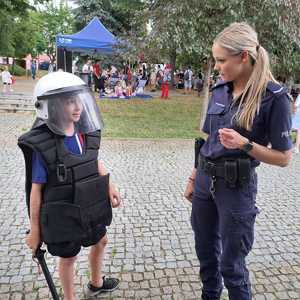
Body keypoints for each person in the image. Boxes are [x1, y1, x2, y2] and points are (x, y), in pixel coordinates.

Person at [184, 22, 292, 300]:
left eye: (222, 60)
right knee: (206, 258)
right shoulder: (221, 89)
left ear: (244, 56)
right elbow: (207, 141)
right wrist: (195, 176)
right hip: (205, 184)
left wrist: (245, 144)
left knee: (231, 266)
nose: (217, 66)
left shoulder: (274, 97)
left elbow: (284, 158)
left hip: (236, 187)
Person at [18, 72, 121, 300]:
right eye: (69, 101)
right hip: (63, 213)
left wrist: (109, 184)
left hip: (89, 205)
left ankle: (96, 283)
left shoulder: (84, 132)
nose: (78, 107)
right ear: (51, 107)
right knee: (69, 258)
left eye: (79, 99)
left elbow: (93, 160)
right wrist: (36, 230)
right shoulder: (44, 145)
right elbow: (36, 192)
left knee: (102, 240)